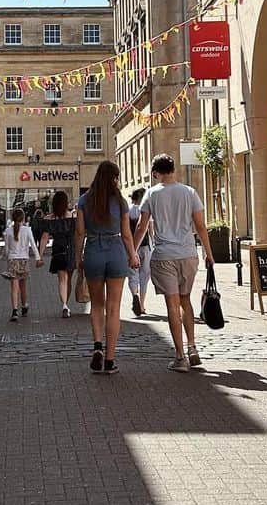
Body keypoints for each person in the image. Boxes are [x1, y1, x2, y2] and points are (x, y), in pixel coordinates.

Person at [135, 155, 215, 373]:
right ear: (173, 170)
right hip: (188, 254)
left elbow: (142, 227)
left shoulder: (151, 194)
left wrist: (132, 252)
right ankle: (192, 347)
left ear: (155, 173)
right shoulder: (189, 192)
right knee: (185, 301)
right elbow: (200, 226)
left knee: (172, 304)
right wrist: (209, 253)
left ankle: (180, 357)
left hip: (164, 255)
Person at [75, 161, 139, 374]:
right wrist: (133, 254)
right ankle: (110, 359)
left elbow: (80, 233)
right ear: (113, 178)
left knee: (96, 306)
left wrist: (78, 257)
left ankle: (97, 346)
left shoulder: (84, 201)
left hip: (93, 250)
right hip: (115, 251)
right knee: (113, 308)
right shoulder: (120, 202)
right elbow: (127, 233)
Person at [39, 190, 77, 318]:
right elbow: (78, 235)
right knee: (69, 279)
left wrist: (40, 255)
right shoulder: (72, 217)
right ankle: (67, 304)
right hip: (71, 250)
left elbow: (44, 238)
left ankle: (65, 304)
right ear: (66, 203)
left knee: (62, 279)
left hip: (58, 250)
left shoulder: (49, 219)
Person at [3, 207, 41, 322]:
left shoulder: (8, 231)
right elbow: (33, 245)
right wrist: (38, 258)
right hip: (24, 260)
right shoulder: (27, 230)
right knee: (23, 286)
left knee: (14, 287)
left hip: (13, 260)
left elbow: (6, 249)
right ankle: (24, 305)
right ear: (23, 218)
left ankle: (15, 310)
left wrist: (9, 257)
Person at [127, 187, 153, 316]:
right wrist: (152, 243)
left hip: (131, 247)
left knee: (132, 274)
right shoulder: (145, 210)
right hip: (145, 246)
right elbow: (150, 229)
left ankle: (134, 295)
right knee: (145, 276)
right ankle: (142, 305)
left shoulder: (128, 210)